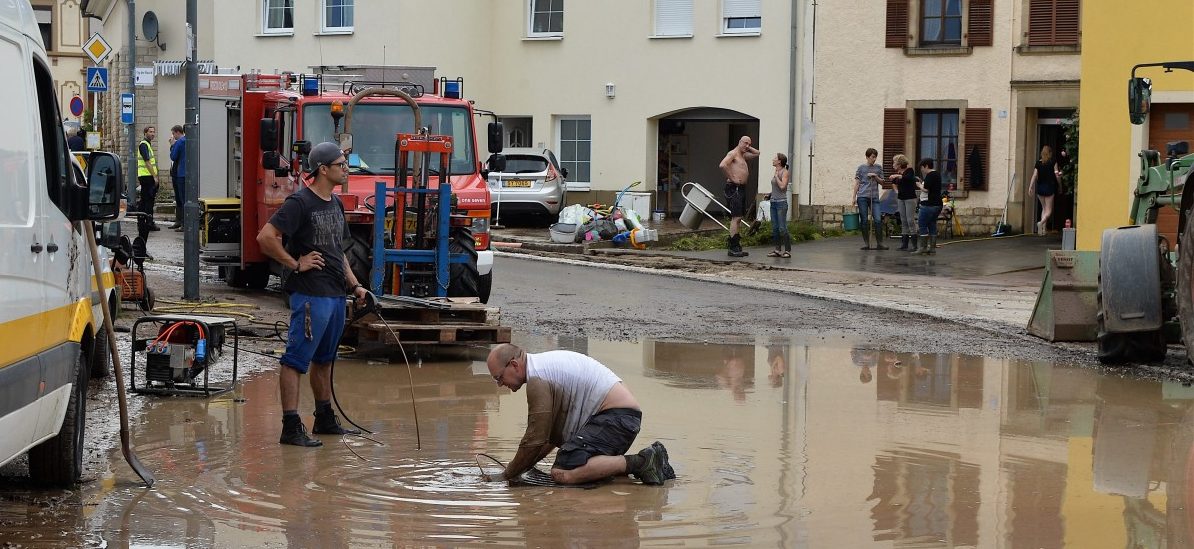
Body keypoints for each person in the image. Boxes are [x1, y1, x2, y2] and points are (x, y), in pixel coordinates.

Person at [256, 142, 369, 447]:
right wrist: (296, 263)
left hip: (334, 294)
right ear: (323, 169)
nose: (346, 169)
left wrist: (355, 285)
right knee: (295, 359)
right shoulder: (300, 203)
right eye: (341, 164)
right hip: (309, 295)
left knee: (325, 359)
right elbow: (266, 237)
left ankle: (324, 419)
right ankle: (291, 426)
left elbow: (337, 251)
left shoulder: (334, 204)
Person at [485, 343, 675, 486]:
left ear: (514, 365)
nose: (500, 384)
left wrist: (506, 475)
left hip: (617, 419)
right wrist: (522, 467)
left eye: (499, 377)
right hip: (621, 420)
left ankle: (642, 461)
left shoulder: (538, 378)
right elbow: (548, 439)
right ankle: (625, 467)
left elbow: (534, 440)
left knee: (563, 470)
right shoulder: (543, 367)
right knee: (570, 461)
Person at [718, 136, 760, 258]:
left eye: (749, 144)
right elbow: (722, 165)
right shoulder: (733, 154)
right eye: (745, 143)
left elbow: (757, 153)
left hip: (741, 188)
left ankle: (736, 244)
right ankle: (733, 246)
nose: (747, 146)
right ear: (739, 142)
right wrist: (732, 178)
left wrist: (747, 147)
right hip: (734, 187)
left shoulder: (743, 155)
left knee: (739, 217)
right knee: (736, 217)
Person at [854, 148, 887, 250]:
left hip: (874, 197)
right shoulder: (861, 168)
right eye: (872, 157)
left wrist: (875, 176)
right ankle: (866, 244)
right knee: (864, 220)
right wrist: (853, 197)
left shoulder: (878, 168)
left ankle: (880, 243)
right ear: (867, 157)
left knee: (877, 220)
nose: (874, 159)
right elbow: (857, 183)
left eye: (875, 157)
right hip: (862, 197)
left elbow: (882, 182)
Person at [887, 154, 919, 251]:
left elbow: (908, 178)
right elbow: (893, 183)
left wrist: (897, 175)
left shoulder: (909, 171)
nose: (893, 164)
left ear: (900, 164)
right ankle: (904, 244)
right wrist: (896, 191)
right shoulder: (898, 173)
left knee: (910, 220)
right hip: (901, 199)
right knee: (903, 221)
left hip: (910, 198)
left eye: (894, 162)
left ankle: (914, 245)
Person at [1028, 145, 1061, 234]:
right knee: (1049, 210)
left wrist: (1030, 186)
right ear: (1050, 153)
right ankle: (1041, 223)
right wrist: (1060, 184)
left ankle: (1042, 230)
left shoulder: (1038, 163)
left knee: (1044, 208)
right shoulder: (1053, 162)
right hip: (1050, 188)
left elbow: (1034, 175)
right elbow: (1057, 175)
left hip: (1040, 188)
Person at [136, 125, 161, 237]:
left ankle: (143, 221)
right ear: (145, 133)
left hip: (146, 176)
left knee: (145, 200)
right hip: (147, 177)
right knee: (148, 200)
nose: (152, 134)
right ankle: (148, 222)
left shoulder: (147, 144)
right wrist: (155, 176)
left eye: (153, 132)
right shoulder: (144, 145)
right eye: (150, 132)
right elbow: (147, 162)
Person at [916, 157, 943, 255]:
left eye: (922, 168)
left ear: (926, 166)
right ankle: (932, 249)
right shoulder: (937, 174)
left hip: (929, 204)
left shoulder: (930, 175)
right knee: (932, 224)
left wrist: (919, 185)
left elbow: (926, 189)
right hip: (938, 204)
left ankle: (923, 248)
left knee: (922, 224)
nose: (922, 170)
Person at [767, 153, 792, 258]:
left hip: (781, 203)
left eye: (775, 158)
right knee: (775, 227)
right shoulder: (776, 171)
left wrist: (777, 177)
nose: (773, 159)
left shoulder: (784, 172)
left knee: (782, 227)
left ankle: (787, 250)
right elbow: (776, 188)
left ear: (779, 161)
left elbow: (782, 186)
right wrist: (769, 194)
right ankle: (777, 250)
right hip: (773, 202)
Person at [168, 125, 187, 231]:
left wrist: (172, 145)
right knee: (183, 199)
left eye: (173, 133)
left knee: (181, 199)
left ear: (177, 132)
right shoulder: (192, 140)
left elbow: (173, 157)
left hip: (180, 174)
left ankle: (182, 223)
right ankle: (180, 221)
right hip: (184, 174)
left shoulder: (180, 142)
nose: (173, 136)